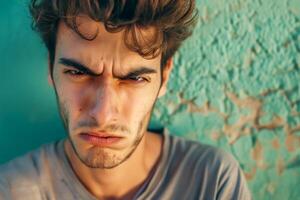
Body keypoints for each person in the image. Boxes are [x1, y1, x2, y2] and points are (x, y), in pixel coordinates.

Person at [0, 0, 252, 199]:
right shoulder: (10, 190)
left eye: (135, 79)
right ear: (50, 68)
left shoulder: (213, 182)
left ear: (164, 76)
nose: (103, 114)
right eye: (77, 73)